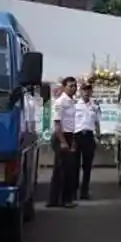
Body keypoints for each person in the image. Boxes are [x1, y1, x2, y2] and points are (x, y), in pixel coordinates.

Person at [47, 77, 79, 209]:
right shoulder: (60, 102)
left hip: (70, 135)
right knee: (62, 170)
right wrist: (63, 142)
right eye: (71, 86)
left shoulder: (72, 102)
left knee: (68, 170)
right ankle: (61, 200)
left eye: (75, 86)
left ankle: (58, 199)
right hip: (62, 136)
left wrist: (73, 141)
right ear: (64, 87)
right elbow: (57, 123)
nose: (73, 88)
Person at [75, 82, 102, 200]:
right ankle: (73, 190)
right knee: (74, 165)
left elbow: (97, 122)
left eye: (88, 90)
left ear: (91, 92)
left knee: (87, 166)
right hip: (77, 136)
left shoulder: (94, 106)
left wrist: (99, 134)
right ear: (80, 92)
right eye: (84, 90)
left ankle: (84, 191)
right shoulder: (75, 105)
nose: (86, 92)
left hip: (89, 136)